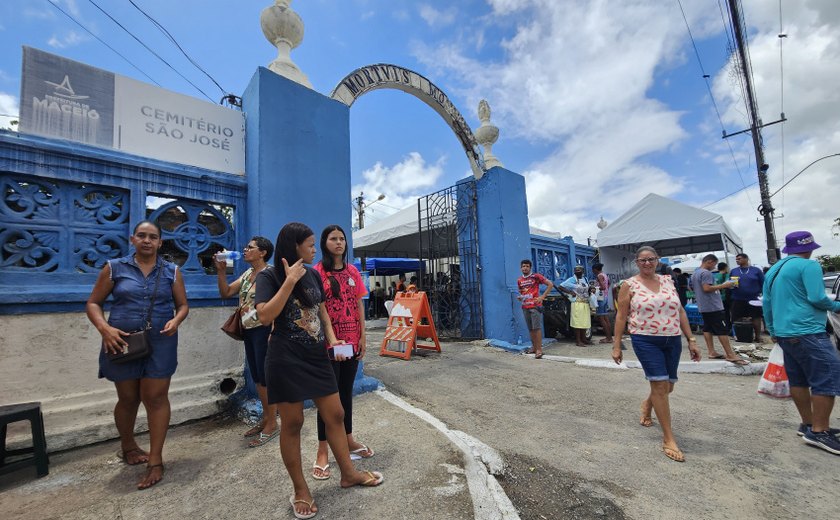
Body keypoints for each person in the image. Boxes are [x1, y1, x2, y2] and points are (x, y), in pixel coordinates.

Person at [254, 223, 383, 519]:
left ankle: (348, 473)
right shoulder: (269, 276)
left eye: (315, 243)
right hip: (285, 358)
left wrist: (332, 336)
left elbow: (320, 310)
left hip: (316, 355)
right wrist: (288, 282)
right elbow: (264, 316)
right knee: (293, 422)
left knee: (335, 414)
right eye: (310, 244)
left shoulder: (312, 274)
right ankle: (300, 489)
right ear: (294, 245)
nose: (315, 248)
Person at [86, 220, 189, 489]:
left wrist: (176, 320)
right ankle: (128, 445)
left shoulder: (172, 272)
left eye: (152, 237)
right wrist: (104, 328)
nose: (147, 241)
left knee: (156, 397)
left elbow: (183, 306)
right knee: (128, 398)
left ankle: (155, 461)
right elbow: (93, 303)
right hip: (120, 340)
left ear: (160, 242)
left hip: (161, 340)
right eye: (141, 236)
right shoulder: (114, 268)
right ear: (133, 239)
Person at [612, 246, 701, 462]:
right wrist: (616, 345)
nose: (647, 263)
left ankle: (648, 404)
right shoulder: (629, 285)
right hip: (645, 339)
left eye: (651, 259)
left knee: (668, 386)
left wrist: (691, 339)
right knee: (659, 385)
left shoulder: (668, 281)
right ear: (637, 262)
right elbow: (621, 316)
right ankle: (668, 438)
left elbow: (679, 310)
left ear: (657, 260)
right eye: (642, 260)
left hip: (672, 339)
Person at [763, 231, 840, 456]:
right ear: (810, 248)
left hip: (785, 333)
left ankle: (807, 424)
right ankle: (819, 431)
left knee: (799, 379)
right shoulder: (809, 266)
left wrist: (773, 329)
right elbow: (817, 298)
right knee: (827, 377)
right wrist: (836, 307)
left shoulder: (774, 270)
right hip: (808, 331)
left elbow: (767, 302)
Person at [311, 225, 374, 480]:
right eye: (333, 239)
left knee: (346, 392)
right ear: (325, 243)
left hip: (351, 339)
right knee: (328, 397)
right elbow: (319, 307)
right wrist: (332, 339)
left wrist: (362, 337)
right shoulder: (317, 272)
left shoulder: (352, 271)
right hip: (329, 342)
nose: (338, 243)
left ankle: (348, 439)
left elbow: (359, 303)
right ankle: (322, 450)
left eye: (342, 239)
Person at [214, 236, 277, 448]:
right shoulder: (249, 274)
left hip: (265, 330)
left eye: (250, 247)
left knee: (267, 377)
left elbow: (281, 302)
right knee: (258, 377)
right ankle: (266, 419)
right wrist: (221, 271)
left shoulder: (271, 273)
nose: (245, 250)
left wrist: (275, 330)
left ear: (263, 253)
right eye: (246, 247)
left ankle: (272, 424)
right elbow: (226, 292)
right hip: (249, 331)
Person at [691, 254, 747, 365]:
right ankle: (730, 355)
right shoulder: (706, 273)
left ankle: (711, 351)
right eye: (714, 264)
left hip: (703, 305)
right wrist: (724, 285)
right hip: (713, 305)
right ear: (709, 262)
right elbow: (707, 288)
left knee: (707, 328)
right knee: (722, 329)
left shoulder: (695, 273)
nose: (714, 267)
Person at [517, 259, 554, 358]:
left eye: (527, 266)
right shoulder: (519, 280)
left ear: (530, 267)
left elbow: (550, 284)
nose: (525, 268)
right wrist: (520, 298)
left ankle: (539, 349)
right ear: (521, 268)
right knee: (530, 329)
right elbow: (522, 293)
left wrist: (542, 297)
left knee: (536, 328)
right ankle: (534, 347)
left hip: (535, 306)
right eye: (523, 266)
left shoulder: (536, 276)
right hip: (525, 306)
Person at [730, 253, 766, 343]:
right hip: (738, 298)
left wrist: (763, 295)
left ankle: (757, 336)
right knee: (736, 317)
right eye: (736, 259)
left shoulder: (756, 270)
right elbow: (731, 283)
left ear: (746, 259)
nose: (737, 260)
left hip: (754, 299)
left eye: (739, 258)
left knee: (756, 317)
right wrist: (731, 286)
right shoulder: (734, 271)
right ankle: (738, 335)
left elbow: (764, 284)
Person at [560, 265, 593, 347]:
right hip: (577, 303)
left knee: (584, 322)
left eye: (579, 270)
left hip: (585, 302)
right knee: (577, 323)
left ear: (583, 271)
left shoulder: (585, 279)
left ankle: (584, 339)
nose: (577, 271)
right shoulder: (572, 279)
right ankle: (578, 341)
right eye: (576, 270)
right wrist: (570, 292)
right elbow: (561, 286)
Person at [592, 263, 613, 344]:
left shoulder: (599, 276)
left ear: (595, 269)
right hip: (606, 297)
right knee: (606, 318)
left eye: (593, 270)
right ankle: (609, 337)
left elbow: (603, 287)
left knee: (602, 319)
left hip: (601, 298)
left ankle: (608, 338)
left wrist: (595, 288)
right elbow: (608, 284)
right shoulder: (604, 275)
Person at [714, 262, 733, 335]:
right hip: (729, 297)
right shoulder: (728, 275)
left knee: (725, 314)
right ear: (725, 267)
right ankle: (731, 329)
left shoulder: (716, 276)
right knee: (732, 313)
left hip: (720, 298)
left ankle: (726, 328)